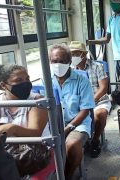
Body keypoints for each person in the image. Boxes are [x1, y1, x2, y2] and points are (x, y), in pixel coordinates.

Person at [0, 64, 50, 176]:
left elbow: (36, 133)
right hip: (6, 152)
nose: (26, 83)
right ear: (3, 85)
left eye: (27, 79)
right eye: (19, 80)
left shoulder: (37, 101)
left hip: (32, 151)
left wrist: (11, 128)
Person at [49, 44, 95, 179]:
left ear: (69, 62)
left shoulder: (82, 81)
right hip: (54, 123)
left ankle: (67, 176)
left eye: (62, 61)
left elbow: (85, 110)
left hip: (77, 124)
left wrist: (67, 129)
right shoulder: (46, 81)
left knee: (72, 144)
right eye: (54, 61)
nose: (58, 64)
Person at [69, 41, 110, 158]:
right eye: (71, 54)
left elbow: (103, 88)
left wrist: (90, 102)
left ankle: (95, 140)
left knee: (100, 114)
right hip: (78, 103)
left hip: (98, 101)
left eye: (76, 54)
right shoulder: (70, 70)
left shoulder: (97, 67)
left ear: (84, 54)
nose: (73, 57)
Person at [87, 0, 120, 79]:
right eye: (111, 3)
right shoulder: (112, 19)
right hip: (116, 57)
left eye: (114, 3)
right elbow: (107, 39)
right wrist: (90, 42)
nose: (112, 5)